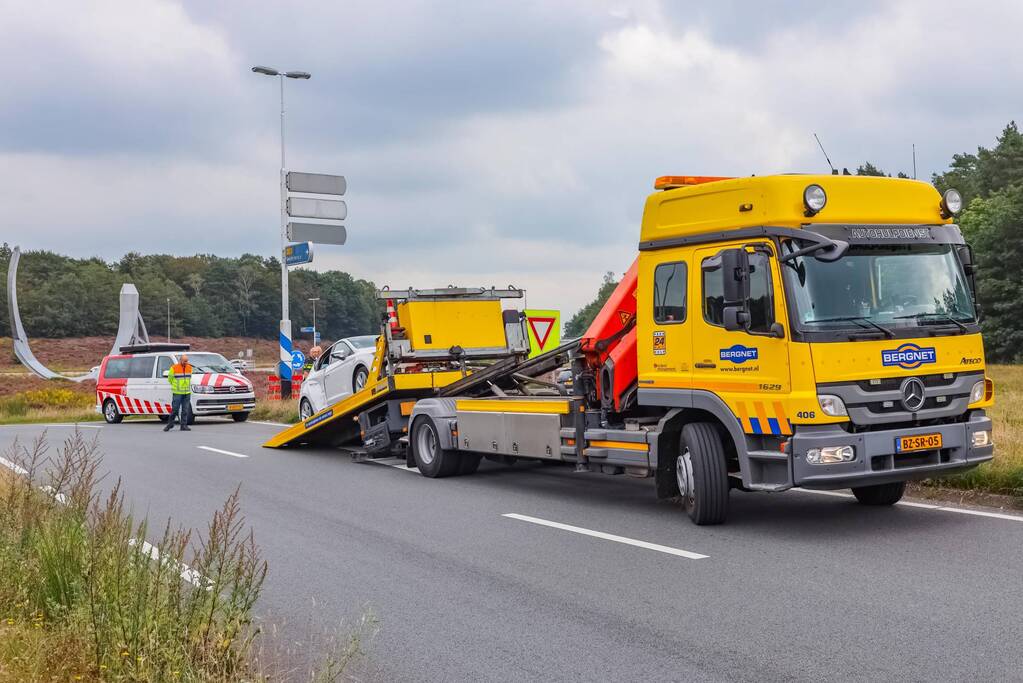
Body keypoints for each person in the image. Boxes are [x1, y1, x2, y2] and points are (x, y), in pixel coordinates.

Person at [164, 353, 193, 432]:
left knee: (185, 410)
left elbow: (189, 378)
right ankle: (170, 424)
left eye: (187, 361)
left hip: (187, 392)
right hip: (177, 392)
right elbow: (170, 379)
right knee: (175, 409)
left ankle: (183, 425)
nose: (186, 362)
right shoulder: (174, 368)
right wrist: (175, 385)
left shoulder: (190, 368)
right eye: (184, 361)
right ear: (180, 360)